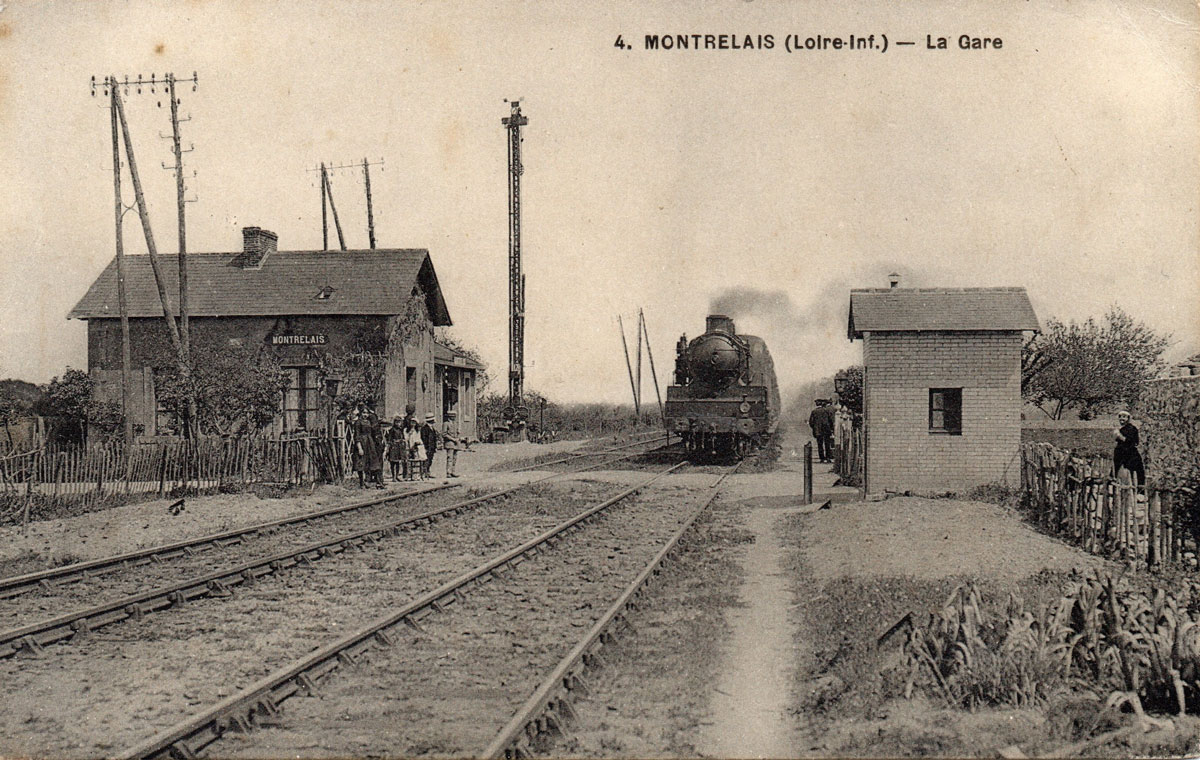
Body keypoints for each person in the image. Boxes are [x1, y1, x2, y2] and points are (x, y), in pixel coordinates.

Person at [1113, 409, 1145, 492]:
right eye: (1120, 417)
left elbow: (1132, 442)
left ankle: (1137, 489)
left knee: (1134, 469)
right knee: (1117, 468)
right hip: (1121, 452)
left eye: (1124, 417)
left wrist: (1119, 436)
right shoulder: (1122, 429)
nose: (1121, 419)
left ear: (1128, 418)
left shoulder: (1132, 429)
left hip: (1129, 453)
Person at [361, 408, 385, 488]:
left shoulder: (371, 417)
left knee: (374, 463)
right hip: (374, 444)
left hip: (374, 443)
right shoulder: (372, 417)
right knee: (376, 463)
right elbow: (375, 431)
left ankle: (376, 481)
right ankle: (378, 481)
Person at [809, 399, 836, 463]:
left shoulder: (814, 412)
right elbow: (830, 421)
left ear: (816, 404)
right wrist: (831, 429)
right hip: (826, 430)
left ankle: (822, 458)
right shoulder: (826, 411)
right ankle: (828, 458)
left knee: (820, 444)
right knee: (827, 444)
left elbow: (811, 422)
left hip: (818, 431)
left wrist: (814, 428)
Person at [442, 410, 461, 478]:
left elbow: (458, 433)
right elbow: (444, 434)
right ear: (450, 417)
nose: (454, 418)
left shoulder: (455, 424)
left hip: (456, 443)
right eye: (453, 416)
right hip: (449, 443)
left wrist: (458, 438)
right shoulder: (446, 424)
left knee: (454, 458)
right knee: (449, 458)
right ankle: (448, 472)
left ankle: (453, 471)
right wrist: (453, 439)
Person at [387, 415, 406, 482]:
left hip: (399, 447)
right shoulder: (392, 430)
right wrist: (391, 444)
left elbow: (403, 438)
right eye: (397, 422)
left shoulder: (400, 430)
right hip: (393, 448)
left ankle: (397, 476)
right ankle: (393, 476)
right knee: (393, 462)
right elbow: (389, 439)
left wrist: (402, 441)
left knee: (398, 462)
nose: (398, 424)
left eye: (399, 422)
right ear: (394, 423)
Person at [420, 413, 439, 480]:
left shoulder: (432, 428)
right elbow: (424, 438)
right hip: (427, 447)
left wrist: (435, 446)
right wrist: (425, 447)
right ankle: (424, 472)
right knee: (426, 460)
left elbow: (434, 438)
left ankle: (427, 472)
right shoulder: (424, 428)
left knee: (430, 460)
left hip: (432, 447)